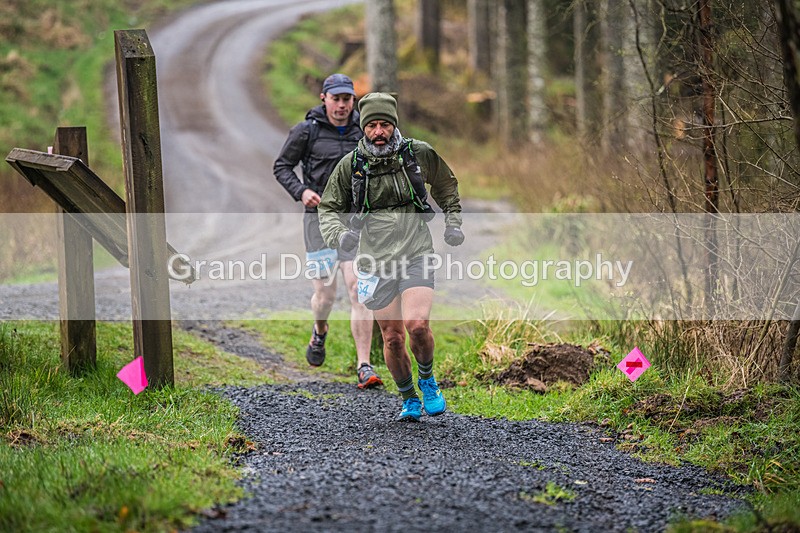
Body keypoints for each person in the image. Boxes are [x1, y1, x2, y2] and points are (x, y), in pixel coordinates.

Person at [318, 92, 465, 421]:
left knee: (416, 325)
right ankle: (409, 397)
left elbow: (446, 185)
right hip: (374, 261)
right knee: (393, 337)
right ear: (364, 128)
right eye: (372, 125)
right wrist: (338, 235)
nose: (379, 131)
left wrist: (453, 223)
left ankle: (426, 379)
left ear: (394, 125)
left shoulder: (417, 154)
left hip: (416, 252)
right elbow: (328, 209)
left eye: (385, 124)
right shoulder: (352, 166)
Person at [273, 73, 382, 389]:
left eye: (347, 99)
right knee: (325, 294)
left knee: (359, 289)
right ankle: (319, 331)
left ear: (353, 100)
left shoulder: (365, 130)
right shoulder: (307, 131)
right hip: (318, 221)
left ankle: (364, 365)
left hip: (355, 220)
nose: (342, 105)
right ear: (324, 99)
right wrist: (302, 191)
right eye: (336, 99)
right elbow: (281, 166)